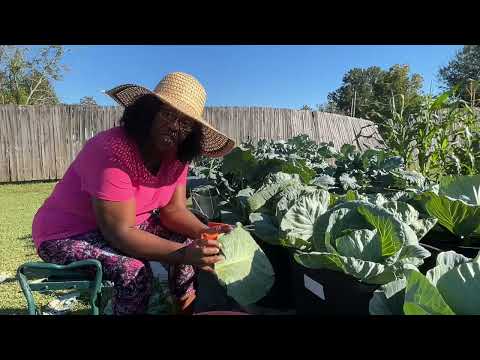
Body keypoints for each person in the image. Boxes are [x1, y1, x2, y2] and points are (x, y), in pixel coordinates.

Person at [32, 72, 236, 315]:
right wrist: (183, 254)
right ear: (148, 112)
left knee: (190, 243)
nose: (174, 126)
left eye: (186, 122)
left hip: (124, 228)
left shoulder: (176, 158)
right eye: (168, 113)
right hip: (67, 234)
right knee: (134, 272)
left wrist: (206, 233)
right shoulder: (111, 150)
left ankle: (184, 309)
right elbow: (119, 232)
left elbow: (174, 211)